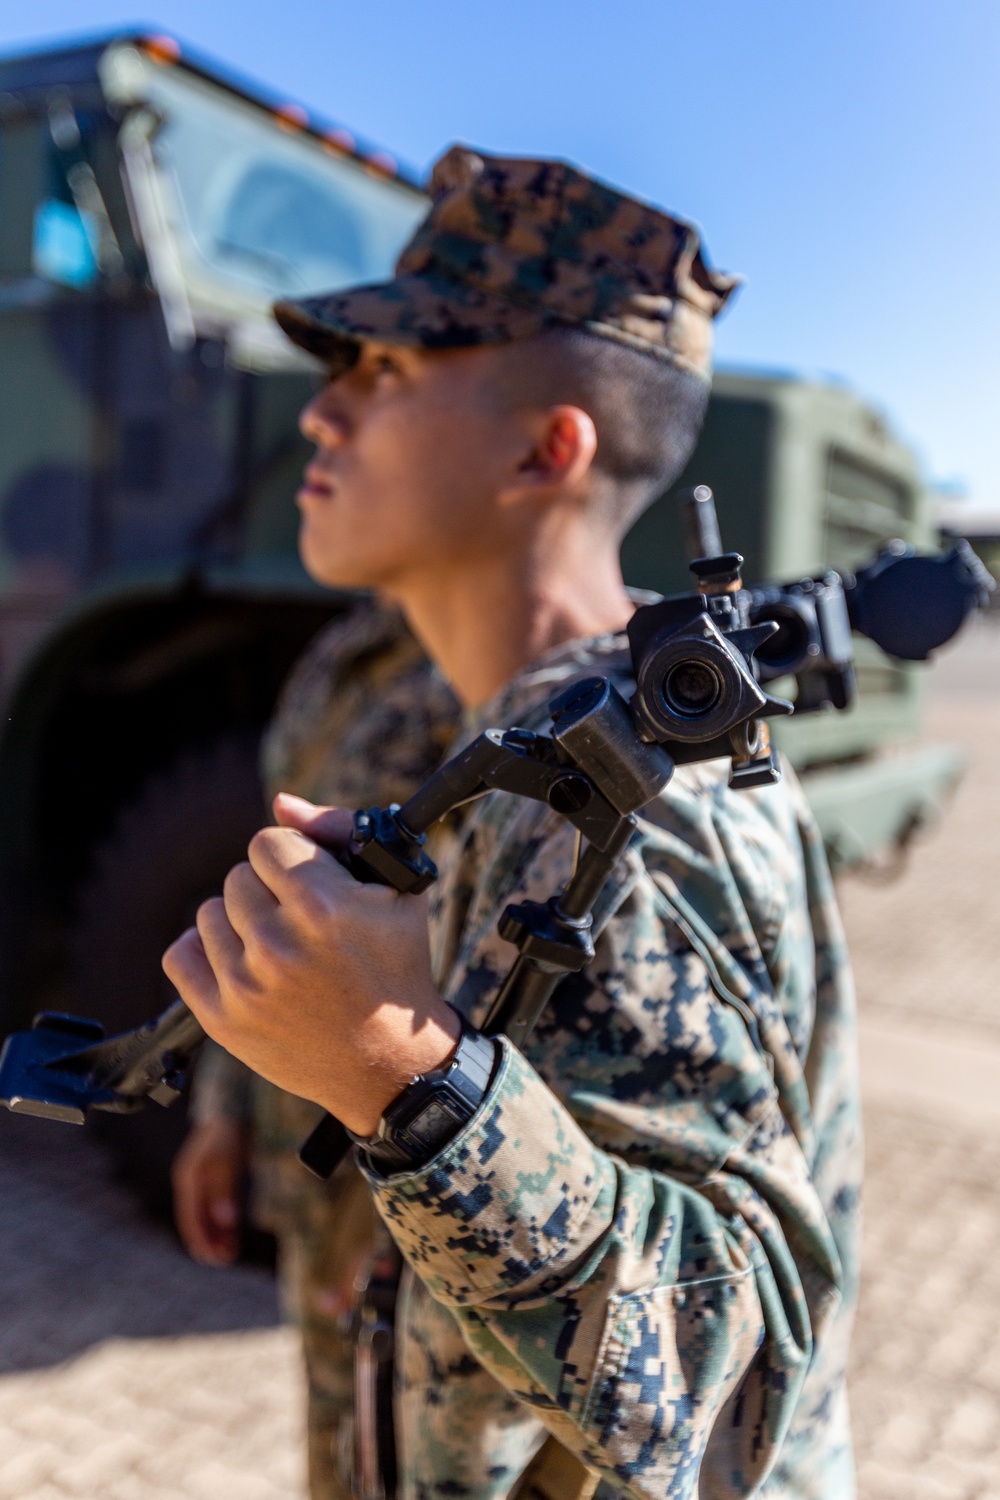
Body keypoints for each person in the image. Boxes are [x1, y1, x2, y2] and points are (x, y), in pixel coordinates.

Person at [164, 146, 861, 1500]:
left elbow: (731, 1401)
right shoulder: (426, 703)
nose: (323, 413)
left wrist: (410, 1081)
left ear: (550, 447)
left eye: (389, 372)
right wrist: (232, 1111)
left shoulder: (638, 809)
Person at [171, 600, 460, 1499]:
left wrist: (388, 1223)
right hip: (307, 1155)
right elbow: (284, 922)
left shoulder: (491, 678)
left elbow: (484, 985)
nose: (323, 447)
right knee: (334, 1446)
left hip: (408, 1187)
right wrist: (221, 1110)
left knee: (389, 1454)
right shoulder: (346, 652)